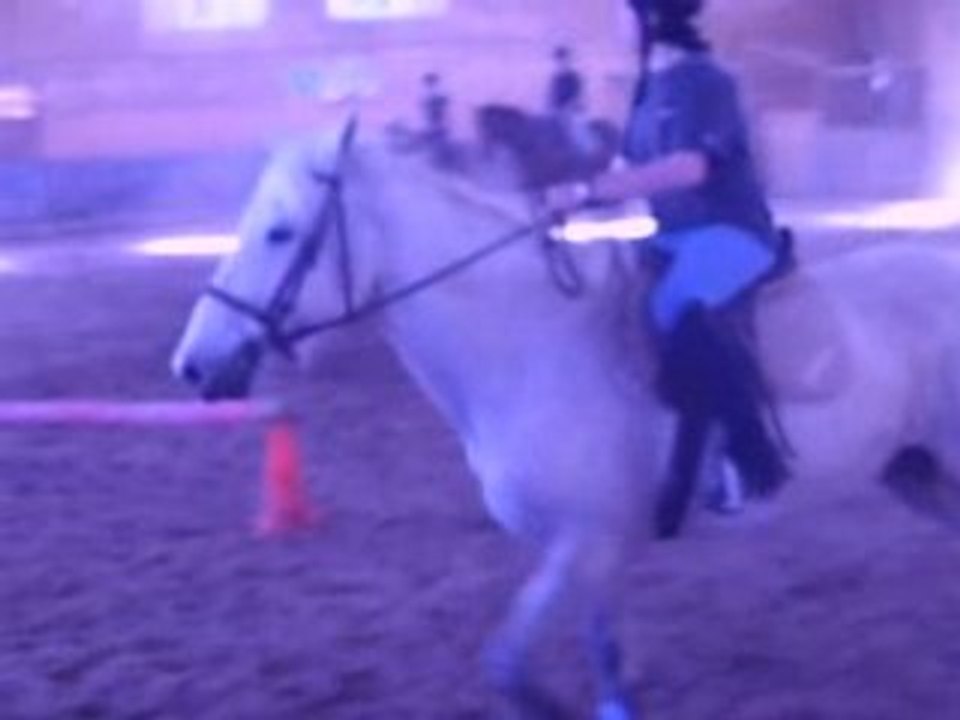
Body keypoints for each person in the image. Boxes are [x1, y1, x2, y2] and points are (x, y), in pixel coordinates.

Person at [548, 0, 789, 537]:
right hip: (670, 236)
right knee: (610, 301)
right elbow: (626, 168)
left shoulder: (710, 82)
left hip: (730, 231)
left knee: (675, 308)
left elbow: (689, 167)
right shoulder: (647, 87)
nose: (617, 21)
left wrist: (592, 192)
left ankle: (746, 455)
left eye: (624, 11)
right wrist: (573, 192)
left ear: (652, 18)